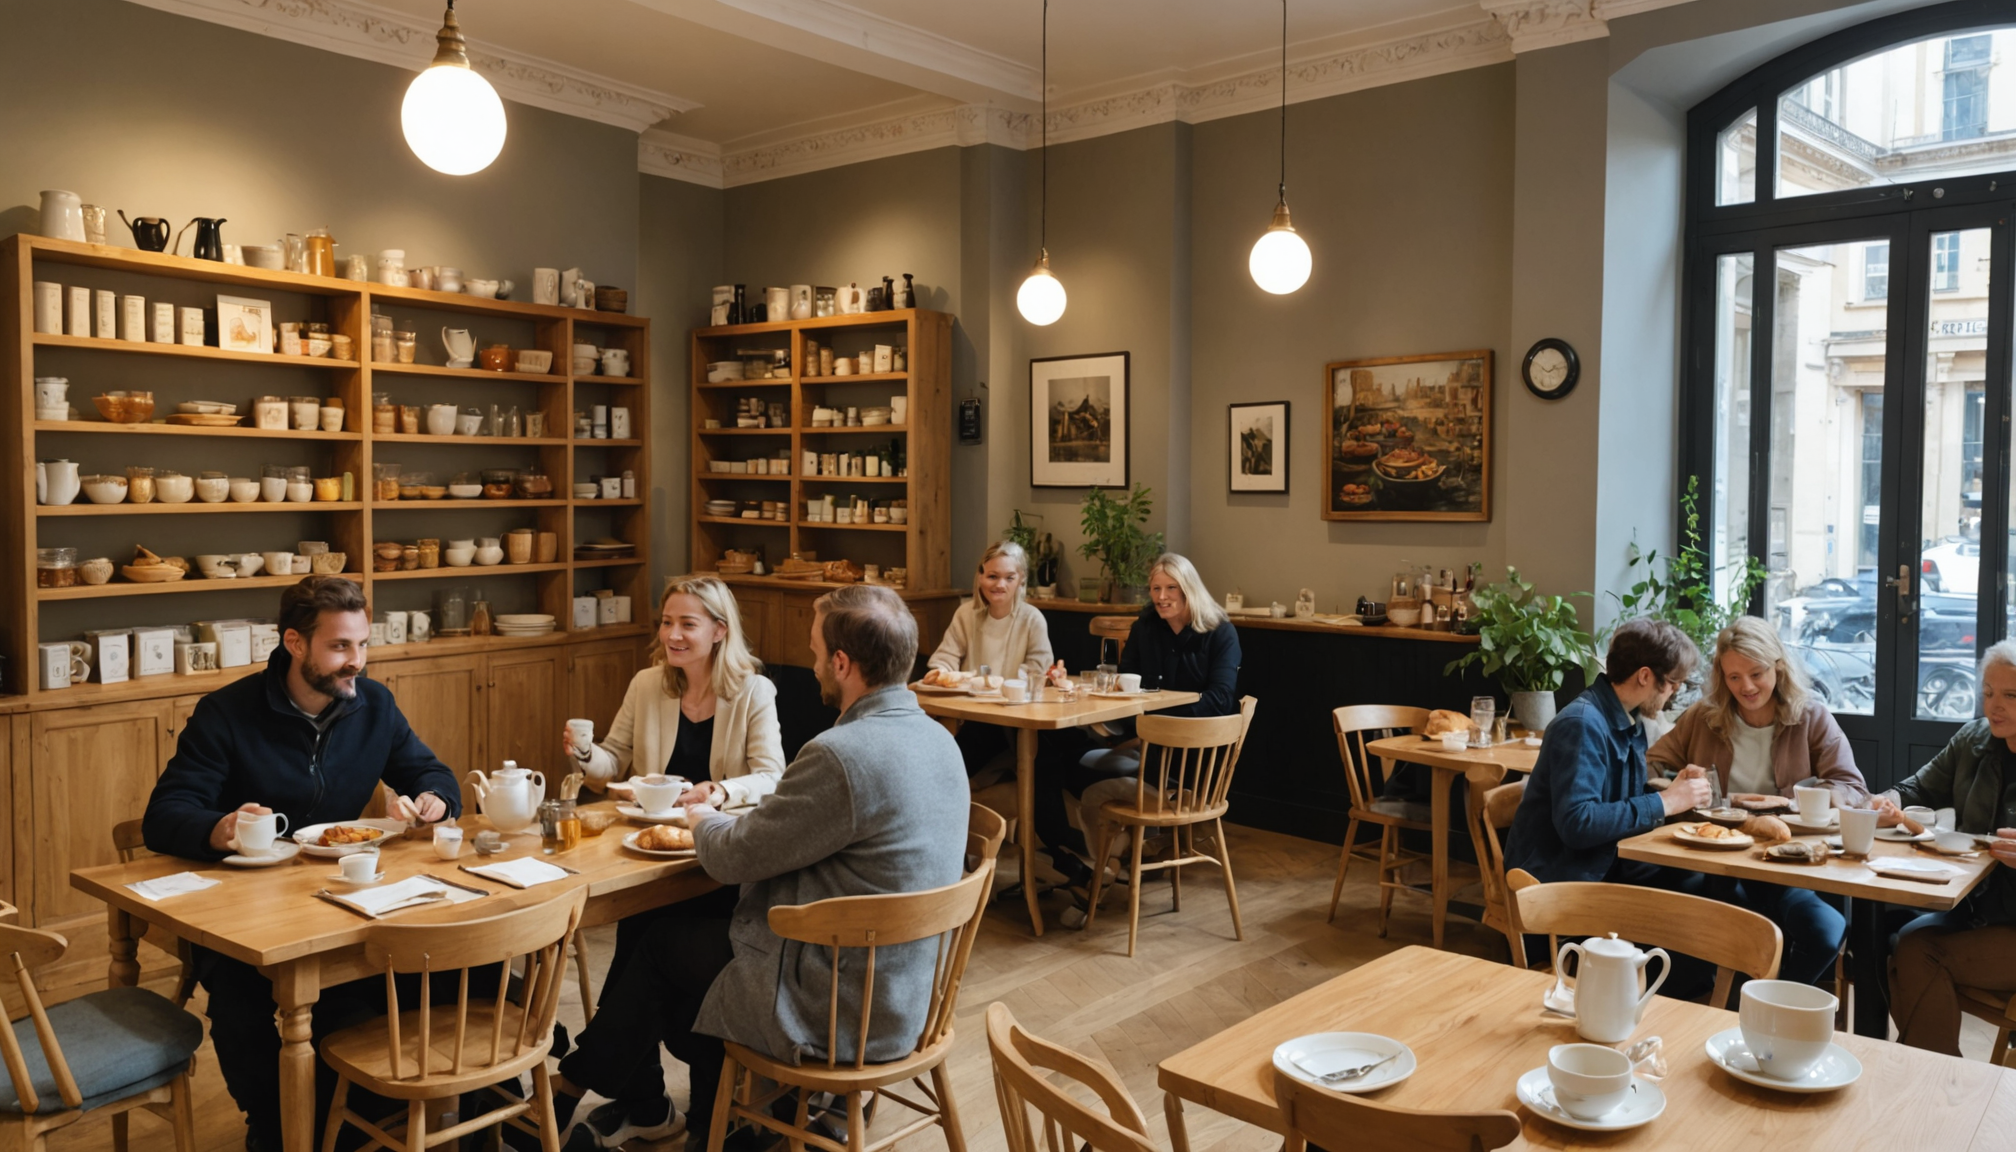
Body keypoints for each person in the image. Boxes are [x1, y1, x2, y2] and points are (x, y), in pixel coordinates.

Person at [552, 584, 970, 1152]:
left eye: (818, 651)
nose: (814, 662)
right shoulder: (939, 741)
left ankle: (628, 1102)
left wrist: (701, 815)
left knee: (660, 949)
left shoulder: (839, 754)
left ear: (843, 664)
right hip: (908, 990)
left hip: (833, 997)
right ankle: (712, 1119)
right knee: (675, 947)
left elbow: (731, 857)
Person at [142, 577, 461, 1152]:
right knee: (242, 999)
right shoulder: (227, 713)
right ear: (294, 642)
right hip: (243, 908)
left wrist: (435, 801)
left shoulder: (375, 704)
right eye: (341, 647)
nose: (356, 662)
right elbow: (164, 815)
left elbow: (431, 773)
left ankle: (384, 1107)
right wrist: (221, 829)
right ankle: (274, 1127)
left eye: (363, 645)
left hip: (344, 893)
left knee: (446, 962)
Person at [552, 575, 785, 1147]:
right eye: (667, 621)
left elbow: (773, 776)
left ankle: (591, 1091)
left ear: (718, 631)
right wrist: (585, 754)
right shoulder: (648, 684)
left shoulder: (753, 692)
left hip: (718, 863)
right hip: (652, 856)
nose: (673, 634)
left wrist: (718, 793)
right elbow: (614, 762)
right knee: (639, 972)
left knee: (638, 975)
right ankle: (647, 1105)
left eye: (688, 623)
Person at [1505, 618, 1719, 993]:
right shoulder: (1583, 724)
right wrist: (1665, 801)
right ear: (1644, 676)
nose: (1673, 693)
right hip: (1561, 880)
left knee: (1702, 885)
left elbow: (1618, 806)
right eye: (1672, 683)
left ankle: (1677, 998)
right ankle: (1658, 1004)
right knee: (1690, 899)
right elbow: (1578, 823)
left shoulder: (1626, 721)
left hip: (1595, 863)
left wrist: (1672, 792)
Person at [1647, 616, 1861, 984]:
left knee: (1825, 932)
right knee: (1731, 943)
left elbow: (1853, 789)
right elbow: (1650, 766)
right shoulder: (1703, 716)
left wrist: (1788, 802)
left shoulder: (1811, 716)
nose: (1745, 687)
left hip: (1783, 866)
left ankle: (1769, 1009)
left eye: (1756, 674)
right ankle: (1737, 1011)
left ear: (1778, 667)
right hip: (1715, 866)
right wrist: (1678, 783)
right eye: (1733, 677)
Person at [1031, 552, 1241, 906]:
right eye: (1155, 588)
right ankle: (1091, 858)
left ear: (1189, 589)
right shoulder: (1146, 626)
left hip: (1194, 759)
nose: (1161, 597)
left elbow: (1221, 699)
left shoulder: (1220, 631)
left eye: (1171, 588)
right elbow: (1125, 688)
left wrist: (1157, 719)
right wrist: (1082, 693)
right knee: (1054, 749)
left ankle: (1103, 868)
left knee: (1082, 774)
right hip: (1146, 744)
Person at [1880, 638, 2016, 1056]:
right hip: (1977, 910)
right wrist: (1888, 803)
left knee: (1921, 954)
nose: (1995, 706)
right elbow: (1915, 788)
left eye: (2011, 695)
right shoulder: (1974, 740)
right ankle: (1935, 1079)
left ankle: (1938, 1084)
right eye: (1988, 693)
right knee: (1893, 941)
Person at [926, 540, 1055, 775]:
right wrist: (941, 673)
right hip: (971, 714)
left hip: (1014, 718)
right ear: (980, 577)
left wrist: (1002, 688)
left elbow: (1038, 672)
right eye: (993, 576)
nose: (1000, 585)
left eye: (1009, 578)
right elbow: (946, 657)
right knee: (937, 758)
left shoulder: (1032, 619)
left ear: (1021, 580)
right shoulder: (966, 614)